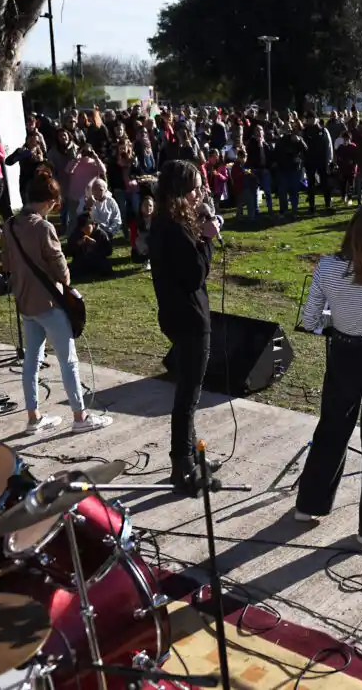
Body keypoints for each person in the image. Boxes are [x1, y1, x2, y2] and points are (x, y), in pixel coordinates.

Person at [295, 196, 362, 545]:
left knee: (332, 428)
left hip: (343, 352)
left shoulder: (327, 267)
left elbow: (310, 320)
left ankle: (310, 504)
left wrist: (336, 319)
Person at [0, 172, 112, 434]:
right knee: (68, 361)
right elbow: (62, 271)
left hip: (25, 302)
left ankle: (33, 417)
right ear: (48, 200)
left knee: (31, 362)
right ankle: (80, 416)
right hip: (49, 304)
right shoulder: (43, 227)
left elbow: (6, 264)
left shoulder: (9, 225)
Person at [149, 160, 222, 496]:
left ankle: (191, 456)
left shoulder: (166, 222)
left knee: (188, 393)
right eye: (193, 188)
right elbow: (193, 274)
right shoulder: (174, 228)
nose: (198, 194)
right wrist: (207, 241)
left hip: (176, 315)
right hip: (190, 318)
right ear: (180, 190)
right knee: (188, 397)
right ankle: (182, 466)